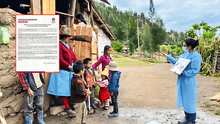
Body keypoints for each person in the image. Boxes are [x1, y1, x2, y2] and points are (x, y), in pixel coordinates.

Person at [163, 38, 202, 124]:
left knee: (190, 100)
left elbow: (195, 71)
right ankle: (187, 118)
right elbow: (177, 62)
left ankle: (191, 120)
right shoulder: (186, 54)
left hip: (189, 82)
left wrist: (183, 72)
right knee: (184, 100)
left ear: (189, 46)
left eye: (184, 45)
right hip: (182, 81)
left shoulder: (196, 56)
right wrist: (168, 56)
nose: (183, 47)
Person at [47, 25, 77, 115]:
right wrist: (68, 66)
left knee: (69, 88)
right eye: (68, 37)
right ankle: (67, 107)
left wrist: (77, 63)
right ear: (65, 36)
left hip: (69, 70)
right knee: (63, 89)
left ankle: (70, 104)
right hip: (63, 70)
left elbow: (72, 55)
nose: (69, 38)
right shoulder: (59, 45)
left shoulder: (68, 45)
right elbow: (60, 58)